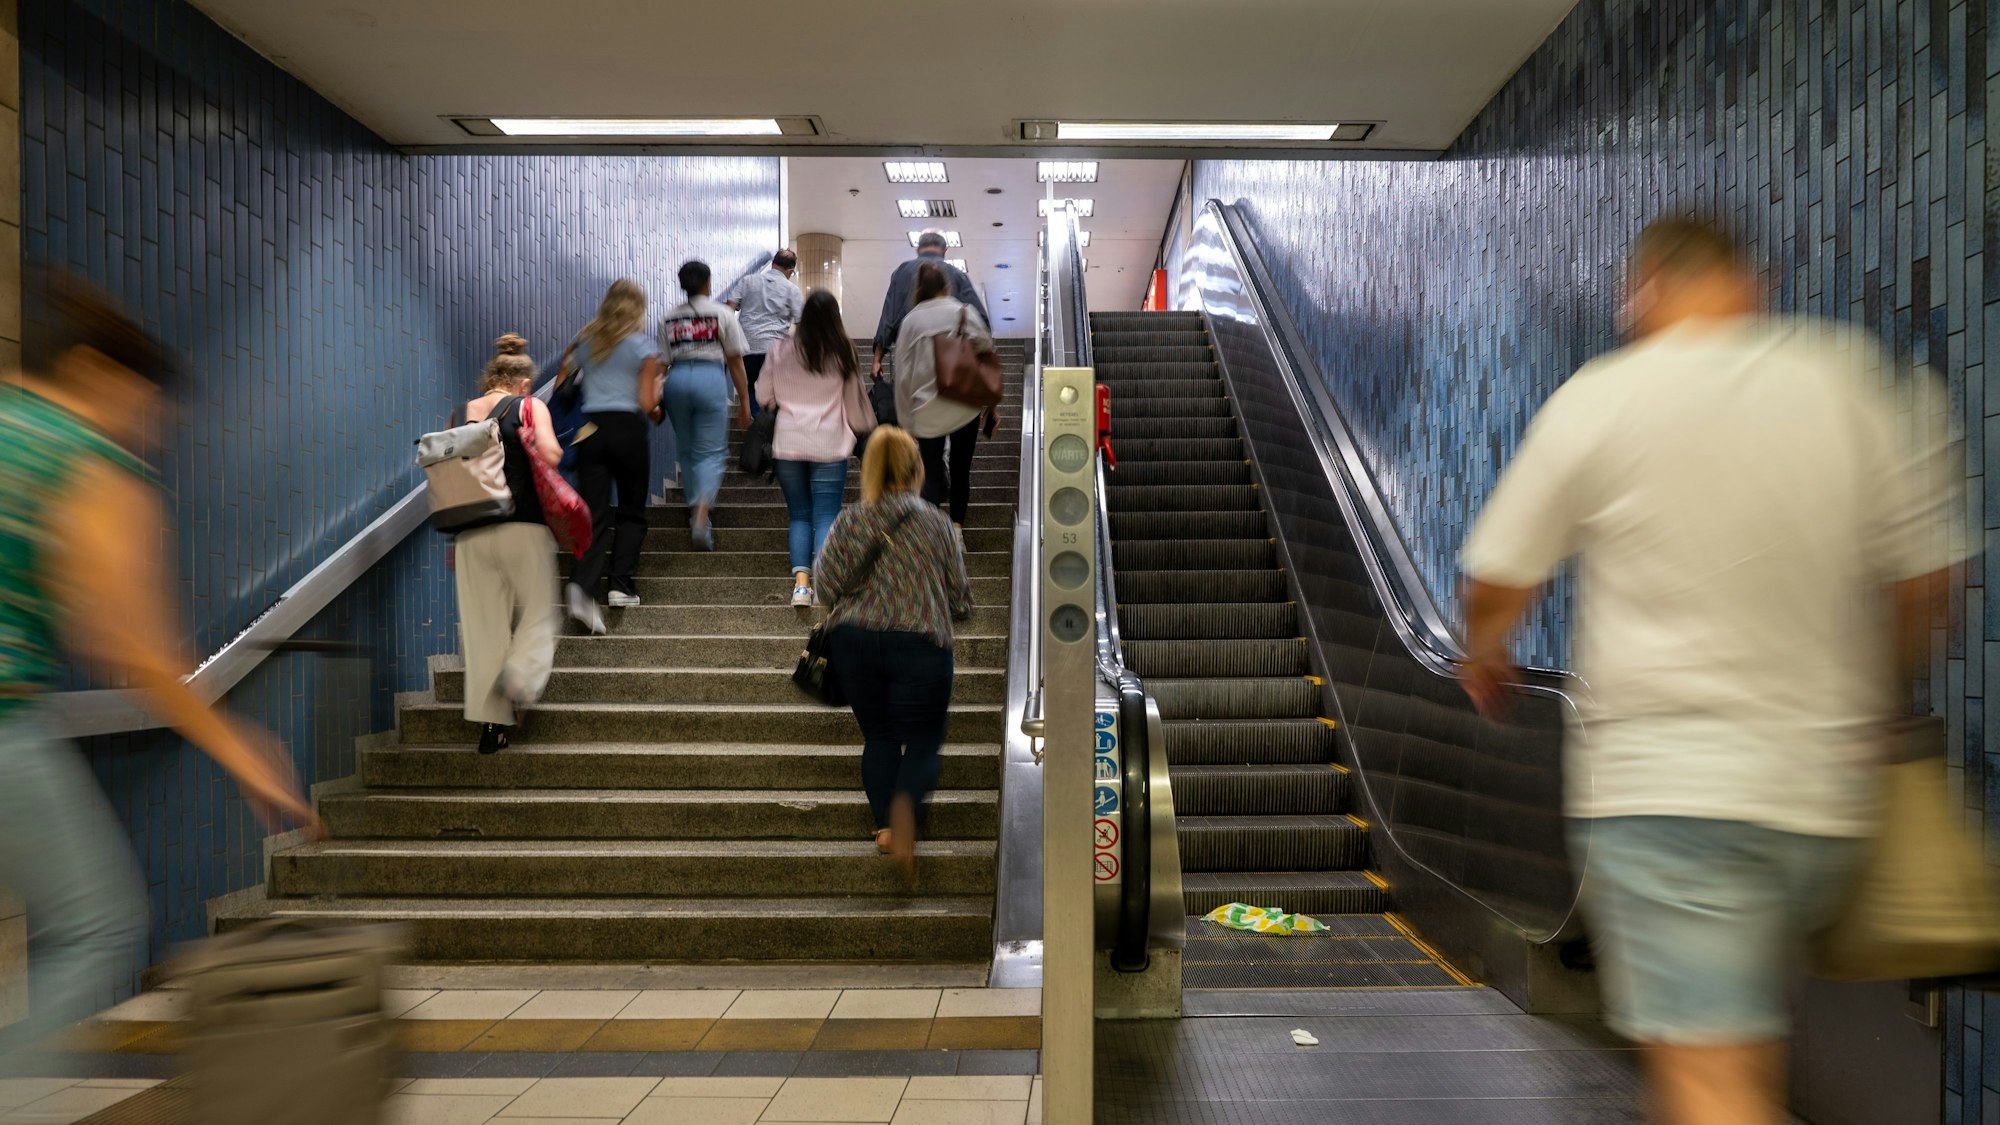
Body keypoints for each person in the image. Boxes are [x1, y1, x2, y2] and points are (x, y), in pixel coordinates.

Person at [1457, 216, 1963, 1125]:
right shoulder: (1845, 377)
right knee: (1740, 1051)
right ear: (1749, 282)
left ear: (1645, 288)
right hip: (1822, 797)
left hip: (1673, 798)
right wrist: (1877, 698)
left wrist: (1487, 651)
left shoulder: (1606, 395)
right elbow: (1928, 579)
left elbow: (1497, 575)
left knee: (1710, 1082)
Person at [0, 271, 317, 1051]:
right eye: (142, 409)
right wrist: (236, 748)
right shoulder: (85, 463)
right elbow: (132, 650)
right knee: (96, 926)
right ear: (94, 372)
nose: (144, 431)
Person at [816, 426, 971, 882]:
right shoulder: (936, 523)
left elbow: (824, 587)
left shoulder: (849, 520)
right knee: (923, 738)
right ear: (916, 467)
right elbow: (960, 597)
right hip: (920, 641)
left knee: (879, 736)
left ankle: (885, 824)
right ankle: (906, 810)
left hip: (855, 642)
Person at [454, 334, 563, 755]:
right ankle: (518, 676)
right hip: (523, 526)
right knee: (538, 614)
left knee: (485, 631)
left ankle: (492, 728)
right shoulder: (529, 405)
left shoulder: (463, 412)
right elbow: (552, 456)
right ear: (522, 383)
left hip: (472, 533)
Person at [558, 279, 663, 633]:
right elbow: (648, 403)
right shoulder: (643, 346)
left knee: (595, 515)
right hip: (629, 431)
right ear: (638, 309)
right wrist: (657, 412)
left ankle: (582, 587)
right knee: (632, 511)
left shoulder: (586, 342)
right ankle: (620, 586)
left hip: (592, 432)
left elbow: (561, 386)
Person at [756, 289, 862, 608]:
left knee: (800, 515)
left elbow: (763, 396)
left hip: (788, 442)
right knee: (827, 513)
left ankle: (801, 589)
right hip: (829, 442)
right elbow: (856, 405)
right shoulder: (843, 352)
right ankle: (826, 584)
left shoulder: (779, 350)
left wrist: (785, 402)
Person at [893, 261, 996, 529]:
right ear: (945, 285)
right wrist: (991, 405)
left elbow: (902, 375)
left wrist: (906, 421)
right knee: (961, 472)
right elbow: (986, 350)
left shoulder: (910, 321)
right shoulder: (964, 312)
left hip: (926, 411)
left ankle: (931, 536)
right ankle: (957, 531)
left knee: (931, 474)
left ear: (919, 289)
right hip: (964, 406)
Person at [660, 260, 752, 552]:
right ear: (708, 283)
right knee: (711, 452)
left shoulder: (668, 318)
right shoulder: (722, 314)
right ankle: (701, 516)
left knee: (686, 450)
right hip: (710, 378)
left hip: (676, 381)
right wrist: (745, 402)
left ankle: (692, 511)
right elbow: (735, 360)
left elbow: (661, 364)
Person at [871, 230, 986, 382]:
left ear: (917, 249)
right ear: (945, 250)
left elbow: (889, 317)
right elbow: (980, 321)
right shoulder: (957, 275)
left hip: (911, 361)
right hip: (951, 366)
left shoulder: (901, 273)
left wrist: (877, 359)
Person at [725, 249, 804, 416]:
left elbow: (728, 310)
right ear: (790, 271)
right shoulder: (792, 290)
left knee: (751, 389)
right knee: (775, 394)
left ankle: (757, 425)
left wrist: (728, 342)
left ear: (773, 263)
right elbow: (801, 326)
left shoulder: (747, 281)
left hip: (747, 348)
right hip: (776, 351)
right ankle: (769, 433)